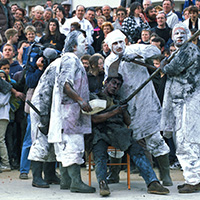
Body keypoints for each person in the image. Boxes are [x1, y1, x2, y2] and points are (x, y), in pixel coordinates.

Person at [104, 29, 173, 187]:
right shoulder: (108, 61)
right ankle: (114, 175)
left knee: (155, 139)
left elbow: (155, 50)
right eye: (115, 43)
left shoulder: (135, 49)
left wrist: (136, 55)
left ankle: (165, 175)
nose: (119, 46)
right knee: (118, 141)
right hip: (125, 107)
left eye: (121, 42)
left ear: (126, 41)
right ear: (109, 46)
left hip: (146, 104)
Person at [32, 31, 96, 193]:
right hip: (62, 109)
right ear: (74, 46)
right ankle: (74, 181)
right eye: (82, 41)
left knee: (63, 146)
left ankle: (65, 180)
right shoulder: (70, 59)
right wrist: (81, 101)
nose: (86, 43)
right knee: (70, 144)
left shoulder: (71, 60)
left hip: (63, 109)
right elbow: (64, 83)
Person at [91, 74, 169, 196]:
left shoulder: (118, 100)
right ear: (106, 82)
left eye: (118, 85)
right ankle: (102, 183)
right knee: (100, 154)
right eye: (113, 83)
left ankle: (153, 182)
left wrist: (123, 111)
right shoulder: (95, 97)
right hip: (100, 131)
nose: (115, 86)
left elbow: (128, 122)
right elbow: (94, 119)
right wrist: (114, 112)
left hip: (119, 132)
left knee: (137, 150)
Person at [160, 22, 200, 193]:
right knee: (182, 140)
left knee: (187, 141)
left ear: (189, 34)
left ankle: (194, 179)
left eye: (182, 32)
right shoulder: (179, 51)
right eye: (175, 33)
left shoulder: (189, 49)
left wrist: (163, 65)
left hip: (188, 101)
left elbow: (172, 68)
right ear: (171, 37)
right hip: (180, 103)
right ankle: (192, 177)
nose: (179, 35)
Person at [0, 69, 11, 172]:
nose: (1, 79)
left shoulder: (6, 87)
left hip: (2, 116)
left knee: (0, 139)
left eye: (3, 77)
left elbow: (2, 102)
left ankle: (6, 163)